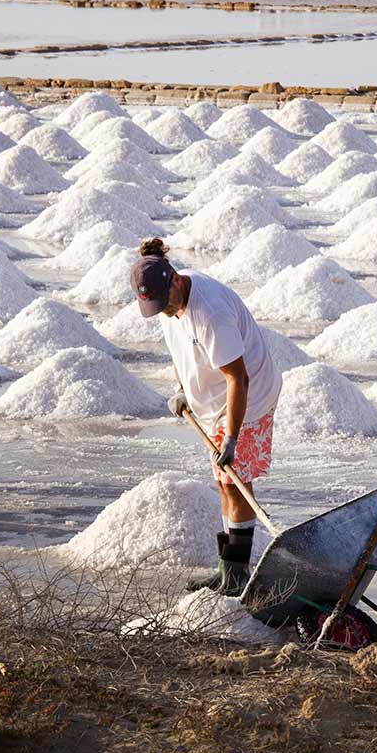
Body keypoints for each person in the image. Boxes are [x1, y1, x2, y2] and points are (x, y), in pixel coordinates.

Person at [131, 237, 281, 597]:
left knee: (236, 482)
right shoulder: (169, 306)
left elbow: (237, 378)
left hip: (247, 401)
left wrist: (231, 437)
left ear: (176, 281)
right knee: (224, 483)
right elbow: (179, 348)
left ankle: (237, 574)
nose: (163, 312)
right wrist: (183, 388)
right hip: (214, 406)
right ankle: (227, 569)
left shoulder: (210, 313)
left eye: (164, 304)